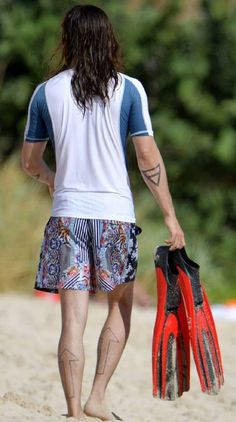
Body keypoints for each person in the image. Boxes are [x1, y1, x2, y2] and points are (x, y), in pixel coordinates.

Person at [21, 4, 185, 421]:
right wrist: (170, 216)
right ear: (109, 38)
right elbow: (147, 157)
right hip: (115, 215)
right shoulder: (129, 89)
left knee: (72, 319)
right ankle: (97, 397)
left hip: (68, 215)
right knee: (118, 306)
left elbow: (30, 163)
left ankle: (74, 411)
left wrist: (53, 180)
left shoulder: (46, 92)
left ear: (68, 40)